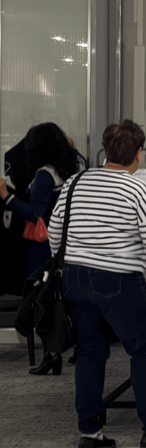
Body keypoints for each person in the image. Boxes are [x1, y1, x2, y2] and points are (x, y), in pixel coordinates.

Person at [47, 120, 146, 448]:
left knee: (89, 351)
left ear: (106, 150)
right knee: (144, 351)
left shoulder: (75, 182)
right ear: (138, 154)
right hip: (118, 279)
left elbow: (55, 230)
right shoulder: (135, 190)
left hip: (74, 277)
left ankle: (90, 434)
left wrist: (72, 260)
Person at [0, 123, 82, 375]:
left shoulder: (46, 174)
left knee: (42, 298)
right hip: (74, 241)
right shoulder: (78, 166)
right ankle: (78, 345)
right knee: (69, 298)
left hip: (45, 246)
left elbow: (36, 213)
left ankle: (51, 354)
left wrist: (7, 196)